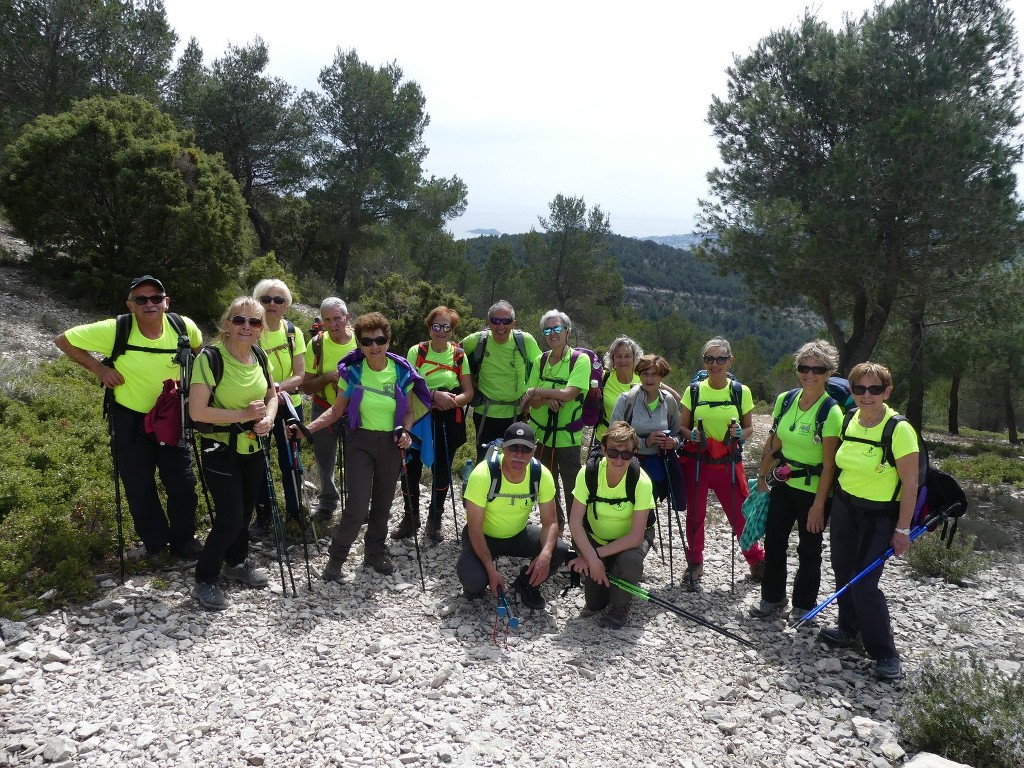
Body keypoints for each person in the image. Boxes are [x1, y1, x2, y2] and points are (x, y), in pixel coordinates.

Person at [55, 275, 203, 561]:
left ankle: (185, 542)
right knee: (138, 484)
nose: (150, 304)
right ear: (130, 304)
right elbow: (63, 340)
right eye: (141, 299)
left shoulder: (184, 327)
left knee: (183, 482)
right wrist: (99, 369)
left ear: (166, 302)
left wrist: (195, 389)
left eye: (156, 298)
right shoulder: (116, 329)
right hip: (130, 418)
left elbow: (201, 355)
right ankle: (156, 544)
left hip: (172, 416)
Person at [307, 313, 430, 580]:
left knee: (383, 504)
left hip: (391, 443)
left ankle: (374, 552)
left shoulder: (401, 371)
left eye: (380, 339)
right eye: (368, 341)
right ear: (360, 344)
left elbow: (408, 410)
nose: (375, 346)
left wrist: (407, 432)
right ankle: (337, 558)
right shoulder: (352, 372)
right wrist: (307, 429)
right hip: (360, 443)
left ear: (388, 340)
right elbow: (335, 411)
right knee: (358, 506)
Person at [818, 362, 919, 681]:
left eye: (875, 389)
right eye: (859, 389)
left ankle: (885, 653)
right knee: (841, 569)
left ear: (888, 391)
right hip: (846, 509)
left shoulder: (898, 429)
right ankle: (848, 630)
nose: (867, 395)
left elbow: (911, 483)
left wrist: (902, 530)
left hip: (880, 516)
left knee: (863, 583)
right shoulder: (849, 420)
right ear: (851, 391)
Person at [188, 297, 277, 610]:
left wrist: (268, 418)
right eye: (239, 320)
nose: (246, 327)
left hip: (252, 445)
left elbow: (272, 395)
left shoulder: (259, 355)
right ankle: (205, 579)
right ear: (227, 324)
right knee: (229, 516)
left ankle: (236, 564)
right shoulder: (210, 358)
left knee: (245, 511)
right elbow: (197, 411)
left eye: (254, 322)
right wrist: (242, 415)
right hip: (220, 448)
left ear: (261, 329)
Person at [751, 341, 842, 620]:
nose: (810, 374)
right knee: (775, 542)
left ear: (829, 372)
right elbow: (774, 442)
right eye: (804, 367)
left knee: (809, 549)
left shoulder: (831, 412)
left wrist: (818, 505)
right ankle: (772, 597)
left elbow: (829, 465)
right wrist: (761, 477)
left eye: (818, 368)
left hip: (814, 492)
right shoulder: (786, 400)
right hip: (783, 484)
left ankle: (803, 605)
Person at [679, 338, 766, 586]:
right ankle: (695, 562)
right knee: (695, 515)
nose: (714, 364)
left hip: (728, 462)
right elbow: (682, 427)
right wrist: (690, 435)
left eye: (720, 359)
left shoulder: (740, 391)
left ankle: (756, 561)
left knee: (740, 514)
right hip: (698, 462)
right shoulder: (693, 390)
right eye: (709, 359)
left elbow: (749, 428)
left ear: (730, 360)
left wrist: (741, 434)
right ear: (704, 361)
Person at [457, 422, 570, 609]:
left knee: (558, 548)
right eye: (513, 448)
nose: (519, 454)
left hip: (518, 534)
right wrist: (490, 569)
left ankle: (526, 584)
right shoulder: (483, 474)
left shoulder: (541, 475)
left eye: (525, 449)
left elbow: (550, 522)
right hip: (484, 536)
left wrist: (545, 555)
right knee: (473, 581)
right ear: (503, 448)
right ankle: (479, 580)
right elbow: (474, 528)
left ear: (534, 450)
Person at [392, 306, 475, 544]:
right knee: (411, 469)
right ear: (429, 328)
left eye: (446, 327)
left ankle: (435, 518)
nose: (441, 331)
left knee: (441, 470)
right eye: (436, 326)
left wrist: (451, 401)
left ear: (452, 330)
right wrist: (433, 395)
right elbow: (405, 384)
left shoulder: (459, 356)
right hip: (416, 417)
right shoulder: (416, 352)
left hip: (448, 419)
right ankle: (411, 517)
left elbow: (468, 392)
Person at [567, 421, 656, 629]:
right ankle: (613, 574)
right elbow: (575, 522)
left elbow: (636, 536)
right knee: (595, 604)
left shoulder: (641, 481)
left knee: (630, 562)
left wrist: (594, 556)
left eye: (626, 454)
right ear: (604, 450)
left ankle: (621, 606)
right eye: (613, 452)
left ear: (634, 453)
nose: (619, 459)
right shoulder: (588, 473)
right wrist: (592, 557)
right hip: (596, 538)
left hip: (628, 542)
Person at [248, 279, 307, 540]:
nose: (272, 304)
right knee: (259, 462)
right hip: (258, 407)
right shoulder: (249, 330)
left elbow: (301, 374)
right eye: (266, 300)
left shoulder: (293, 332)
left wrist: (279, 389)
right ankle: (263, 515)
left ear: (286, 305)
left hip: (289, 406)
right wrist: (271, 394)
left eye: (278, 300)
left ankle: (295, 513)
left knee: (291, 462)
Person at [521, 310, 590, 529]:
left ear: (567, 331)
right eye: (547, 330)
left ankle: (578, 535)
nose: (553, 334)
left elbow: (570, 394)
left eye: (557, 328)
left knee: (573, 488)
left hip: (567, 438)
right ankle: (555, 529)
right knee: (547, 487)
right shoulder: (539, 360)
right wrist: (547, 394)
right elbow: (531, 402)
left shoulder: (581, 360)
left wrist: (538, 391)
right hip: (540, 437)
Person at [461, 300, 542, 462]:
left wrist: (542, 394)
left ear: (514, 323)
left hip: (516, 413)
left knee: (515, 461)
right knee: (485, 462)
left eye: (506, 321)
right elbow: (453, 355)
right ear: (488, 322)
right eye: (495, 321)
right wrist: (469, 382)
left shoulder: (525, 341)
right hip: (485, 413)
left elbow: (543, 366)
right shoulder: (477, 340)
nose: (501, 326)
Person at [300, 297, 357, 524]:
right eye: (327, 319)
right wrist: (327, 378)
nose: (333, 324)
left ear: (346, 318)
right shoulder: (316, 344)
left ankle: (357, 505)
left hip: (355, 410)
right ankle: (327, 503)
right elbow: (305, 386)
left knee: (357, 460)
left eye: (337, 318)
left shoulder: (360, 342)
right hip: (323, 407)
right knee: (324, 460)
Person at [609, 354, 686, 512]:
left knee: (646, 510)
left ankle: (644, 536)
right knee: (626, 509)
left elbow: (678, 433)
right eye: (645, 373)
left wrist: (674, 442)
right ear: (639, 374)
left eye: (654, 374)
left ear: (661, 377)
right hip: (626, 463)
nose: (649, 379)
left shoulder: (669, 401)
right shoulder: (626, 400)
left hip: (656, 465)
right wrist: (645, 442)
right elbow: (613, 435)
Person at [595, 336, 642, 443]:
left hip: (634, 442)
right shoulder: (604, 377)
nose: (623, 360)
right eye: (618, 356)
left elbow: (672, 396)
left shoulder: (643, 379)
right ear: (612, 358)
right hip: (604, 439)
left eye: (627, 356)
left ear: (635, 358)